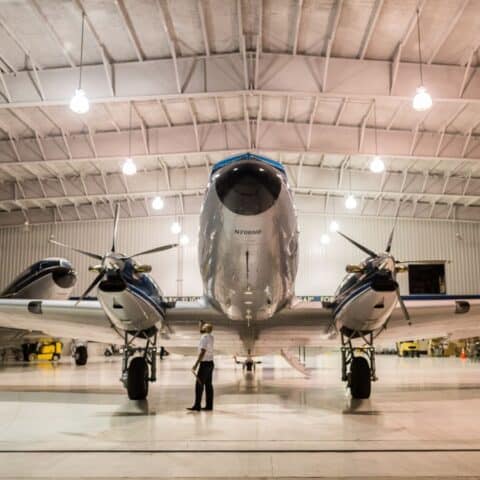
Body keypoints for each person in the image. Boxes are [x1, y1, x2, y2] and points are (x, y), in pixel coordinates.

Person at [187, 323, 214, 412]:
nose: (202, 327)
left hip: (204, 364)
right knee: (208, 385)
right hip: (210, 363)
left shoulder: (204, 338)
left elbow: (202, 351)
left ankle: (197, 405)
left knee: (199, 384)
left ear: (206, 329)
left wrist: (196, 364)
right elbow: (202, 332)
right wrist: (201, 326)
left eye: (203, 326)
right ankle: (209, 406)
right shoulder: (211, 337)